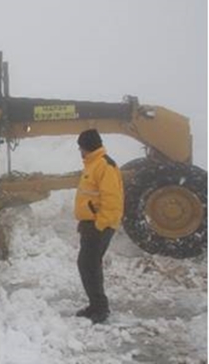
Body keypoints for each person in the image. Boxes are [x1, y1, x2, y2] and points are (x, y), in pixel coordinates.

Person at [74, 129, 123, 324]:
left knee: (88, 264)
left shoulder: (104, 165)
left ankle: (100, 308)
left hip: (99, 225)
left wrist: (99, 224)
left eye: (80, 147)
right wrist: (84, 222)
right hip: (91, 224)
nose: (80, 151)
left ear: (86, 146)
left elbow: (112, 200)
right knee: (88, 264)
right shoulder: (93, 164)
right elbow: (90, 197)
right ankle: (96, 305)